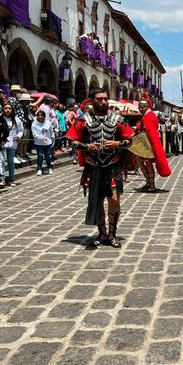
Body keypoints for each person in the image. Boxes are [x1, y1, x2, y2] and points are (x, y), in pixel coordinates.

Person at [66, 88, 134, 248]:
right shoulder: (82, 120)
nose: (103, 102)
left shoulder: (118, 119)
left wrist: (118, 144)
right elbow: (71, 141)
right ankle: (102, 233)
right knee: (97, 200)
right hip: (93, 165)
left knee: (115, 200)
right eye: (99, 99)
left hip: (113, 165)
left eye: (105, 98)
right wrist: (86, 146)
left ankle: (112, 233)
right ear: (91, 101)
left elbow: (131, 140)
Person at [130, 92, 171, 191]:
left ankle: (151, 185)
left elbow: (150, 133)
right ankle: (148, 182)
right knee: (140, 162)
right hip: (143, 143)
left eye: (141, 107)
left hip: (148, 144)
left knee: (147, 163)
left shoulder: (149, 116)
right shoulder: (147, 115)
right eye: (139, 107)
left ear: (145, 107)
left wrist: (150, 146)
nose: (140, 109)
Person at [0, 103, 23, 187]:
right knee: (1, 161)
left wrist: (18, 136)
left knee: (10, 161)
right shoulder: (0, 118)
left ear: (12, 110)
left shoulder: (16, 119)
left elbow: (21, 130)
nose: (7, 110)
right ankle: (2, 178)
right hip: (2, 142)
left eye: (9, 108)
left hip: (12, 143)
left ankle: (11, 178)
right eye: (5, 108)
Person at [31, 110, 54, 176]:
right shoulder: (34, 124)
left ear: (44, 116)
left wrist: (52, 136)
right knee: (40, 156)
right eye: (39, 115)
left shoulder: (48, 122)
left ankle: (49, 167)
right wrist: (41, 138)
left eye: (41, 115)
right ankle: (39, 169)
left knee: (47, 156)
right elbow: (34, 134)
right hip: (38, 143)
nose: (40, 117)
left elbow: (51, 131)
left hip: (47, 142)